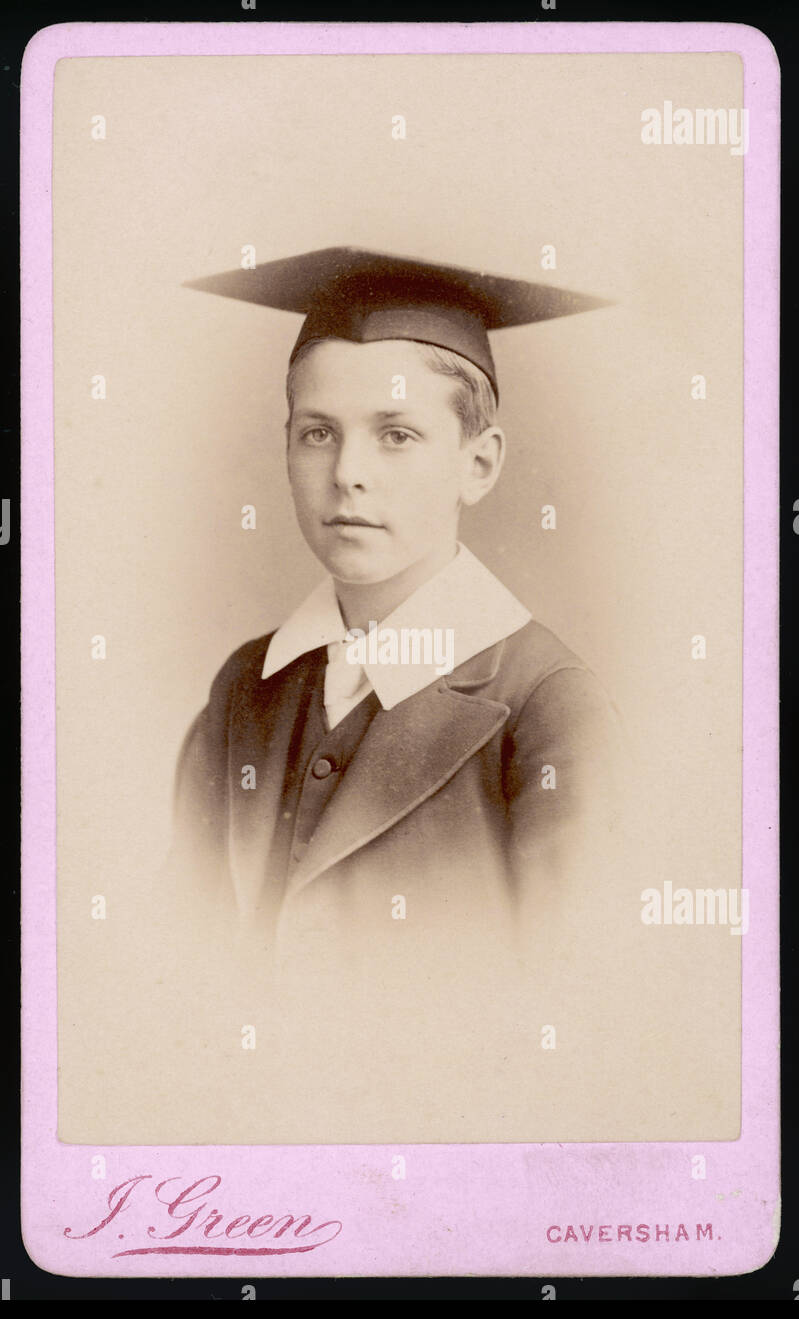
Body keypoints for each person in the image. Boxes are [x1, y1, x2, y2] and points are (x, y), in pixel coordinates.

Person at [167, 248, 630, 1132]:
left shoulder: (545, 706)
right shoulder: (246, 688)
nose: (348, 473)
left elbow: (581, 1019)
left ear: (479, 464)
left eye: (397, 433)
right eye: (317, 431)